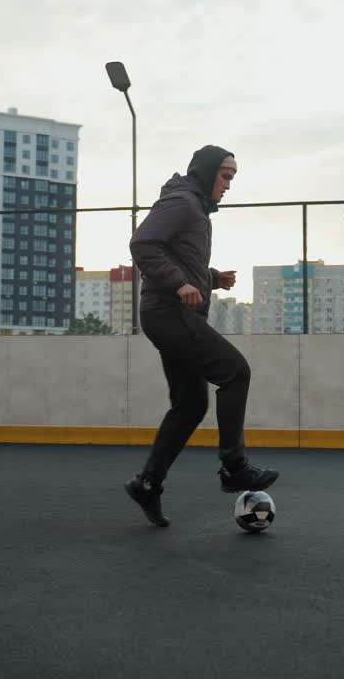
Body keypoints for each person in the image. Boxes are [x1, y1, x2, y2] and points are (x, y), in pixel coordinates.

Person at [123, 145, 279, 527]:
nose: (228, 185)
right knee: (235, 372)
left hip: (171, 314)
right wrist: (180, 284)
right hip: (169, 312)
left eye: (232, 178)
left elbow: (178, 256)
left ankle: (148, 483)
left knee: (191, 404)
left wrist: (210, 278)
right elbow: (142, 243)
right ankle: (234, 468)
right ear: (207, 173)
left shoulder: (193, 208)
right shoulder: (182, 203)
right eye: (225, 176)